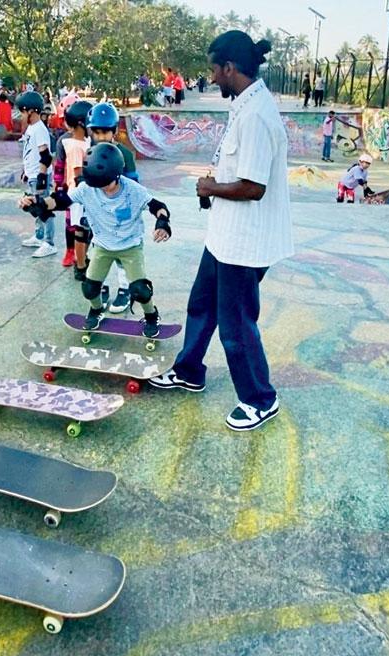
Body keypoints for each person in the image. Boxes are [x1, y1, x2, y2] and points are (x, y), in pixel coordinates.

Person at [149, 31, 293, 432]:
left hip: (245, 244)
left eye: (214, 70)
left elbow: (254, 186)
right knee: (202, 304)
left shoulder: (258, 115)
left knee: (236, 324)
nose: (211, 78)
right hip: (224, 238)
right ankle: (189, 370)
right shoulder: (244, 106)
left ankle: (260, 399)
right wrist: (216, 184)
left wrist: (212, 187)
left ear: (229, 68)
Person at [21, 142, 172, 337]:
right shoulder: (88, 188)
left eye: (106, 185)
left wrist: (163, 223)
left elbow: (158, 206)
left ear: (117, 176)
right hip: (102, 246)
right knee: (89, 288)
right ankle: (97, 309)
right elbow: (61, 201)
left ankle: (151, 315)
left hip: (130, 246)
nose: (103, 190)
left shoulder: (133, 190)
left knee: (140, 290)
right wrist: (38, 203)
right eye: (98, 186)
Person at [86, 102, 141, 313]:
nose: (101, 137)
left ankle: (125, 290)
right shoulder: (90, 153)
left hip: (121, 216)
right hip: (98, 216)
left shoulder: (124, 155)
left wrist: (129, 215)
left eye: (105, 132)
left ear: (114, 131)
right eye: (97, 132)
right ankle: (102, 287)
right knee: (100, 253)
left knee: (121, 255)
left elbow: (134, 186)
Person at [15, 90, 58, 259]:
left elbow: (46, 156)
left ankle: (49, 243)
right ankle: (39, 236)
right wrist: (26, 171)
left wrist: (41, 177)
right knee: (35, 206)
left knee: (44, 208)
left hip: (39, 176)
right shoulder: (31, 128)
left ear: (31, 111)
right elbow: (29, 151)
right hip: (32, 174)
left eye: (22, 112)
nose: (21, 115)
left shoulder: (39, 129)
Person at [55, 99, 93, 271]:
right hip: (79, 194)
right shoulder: (76, 146)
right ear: (82, 123)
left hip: (79, 193)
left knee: (81, 228)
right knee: (79, 228)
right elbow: (78, 174)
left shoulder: (84, 143)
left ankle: (81, 257)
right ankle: (80, 262)